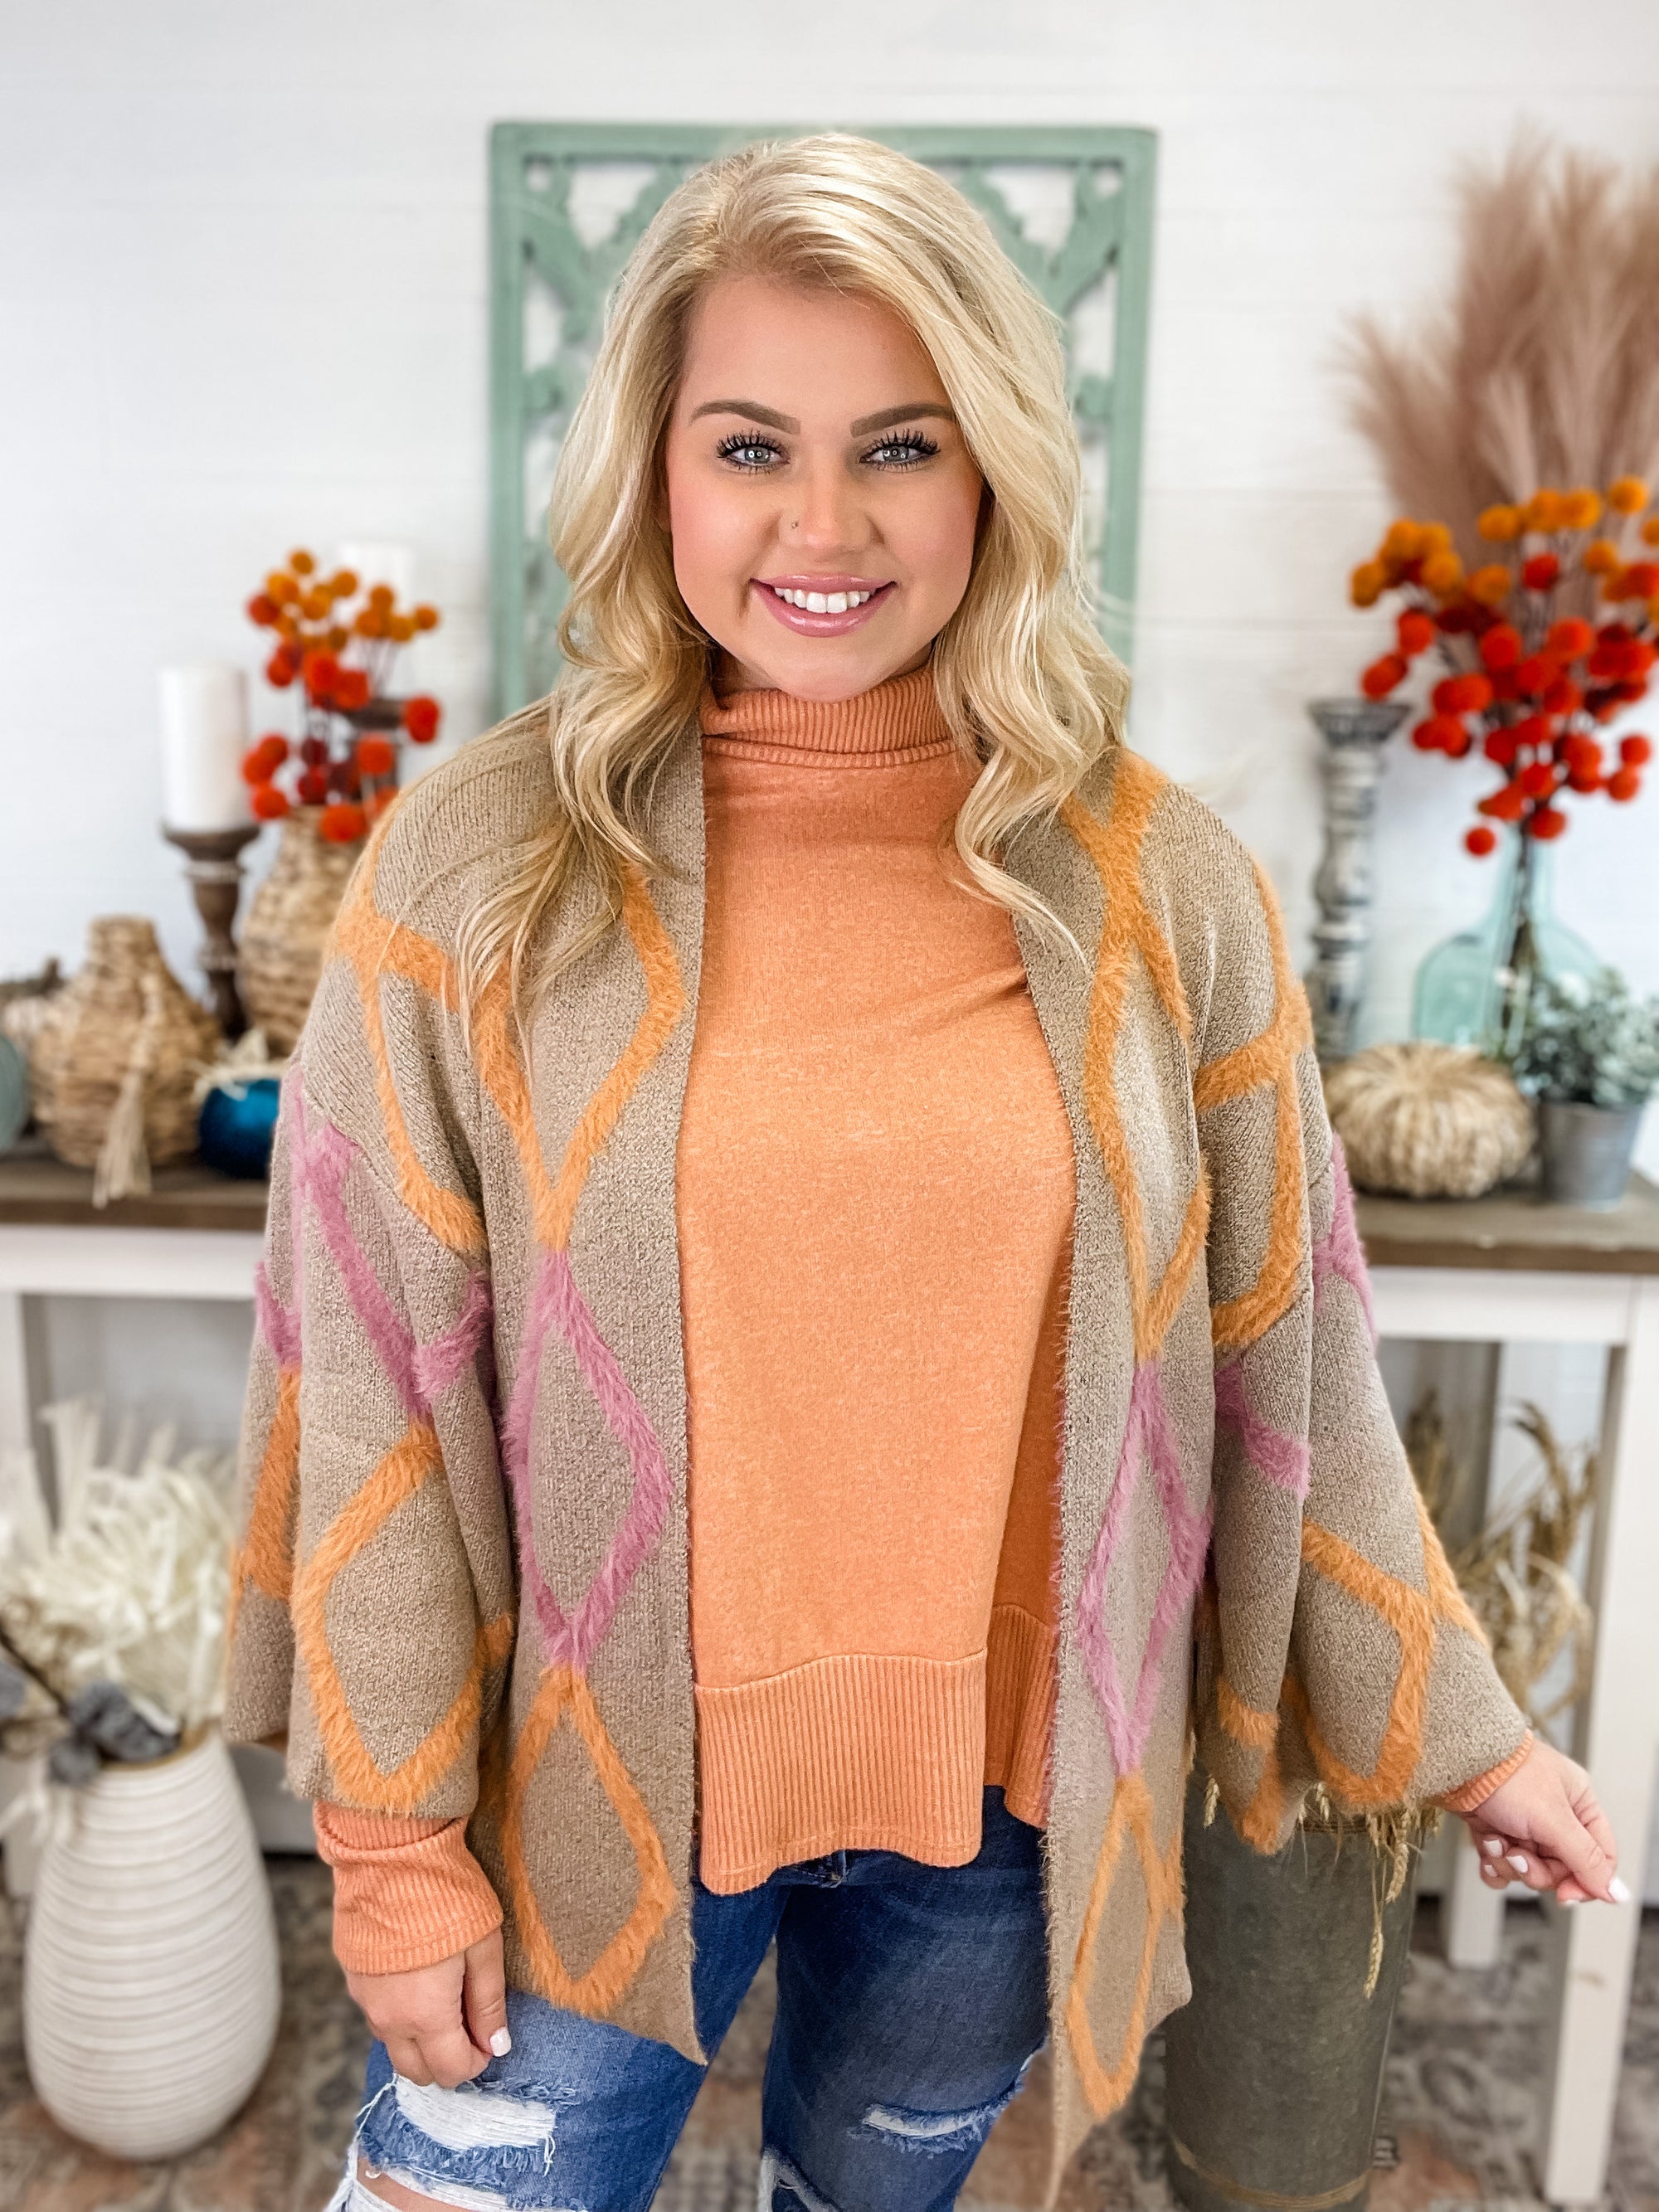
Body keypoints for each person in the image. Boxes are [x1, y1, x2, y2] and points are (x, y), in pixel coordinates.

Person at [222, 132, 1623, 2212]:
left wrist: (1467, 1726)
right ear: (653, 474)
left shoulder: (1159, 883)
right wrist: (394, 1844)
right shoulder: (479, 869)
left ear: (993, 472)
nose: (823, 523)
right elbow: (371, 1394)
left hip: (997, 1820)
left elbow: (1294, 1353)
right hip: (579, 1798)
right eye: (748, 446)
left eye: (899, 443)